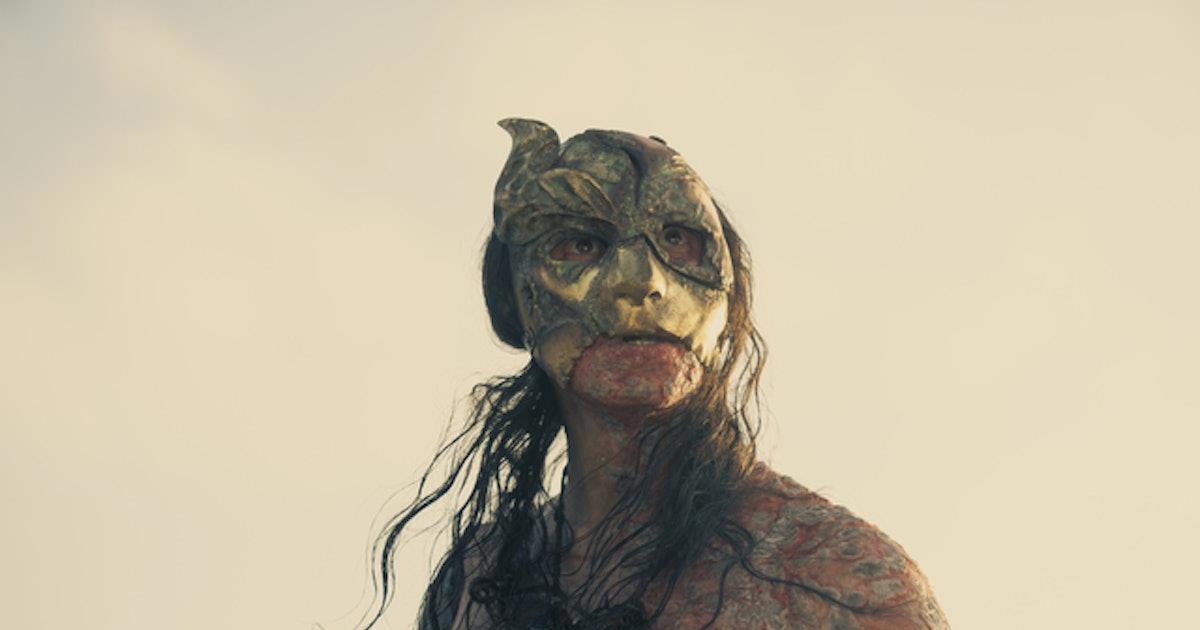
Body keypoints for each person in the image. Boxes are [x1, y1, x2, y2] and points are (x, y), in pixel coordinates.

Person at [365, 118, 949, 629]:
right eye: (581, 243)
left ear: (730, 299)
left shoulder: (834, 581)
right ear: (509, 303)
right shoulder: (478, 577)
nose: (641, 281)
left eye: (678, 239)